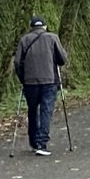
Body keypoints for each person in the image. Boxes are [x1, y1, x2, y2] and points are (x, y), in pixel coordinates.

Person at [13, 15, 68, 156]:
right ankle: (41, 144)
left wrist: (23, 79)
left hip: (30, 82)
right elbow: (62, 60)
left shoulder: (24, 40)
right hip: (49, 80)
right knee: (46, 110)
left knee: (32, 110)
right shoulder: (52, 38)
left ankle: (33, 141)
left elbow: (18, 63)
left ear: (31, 27)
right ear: (44, 26)